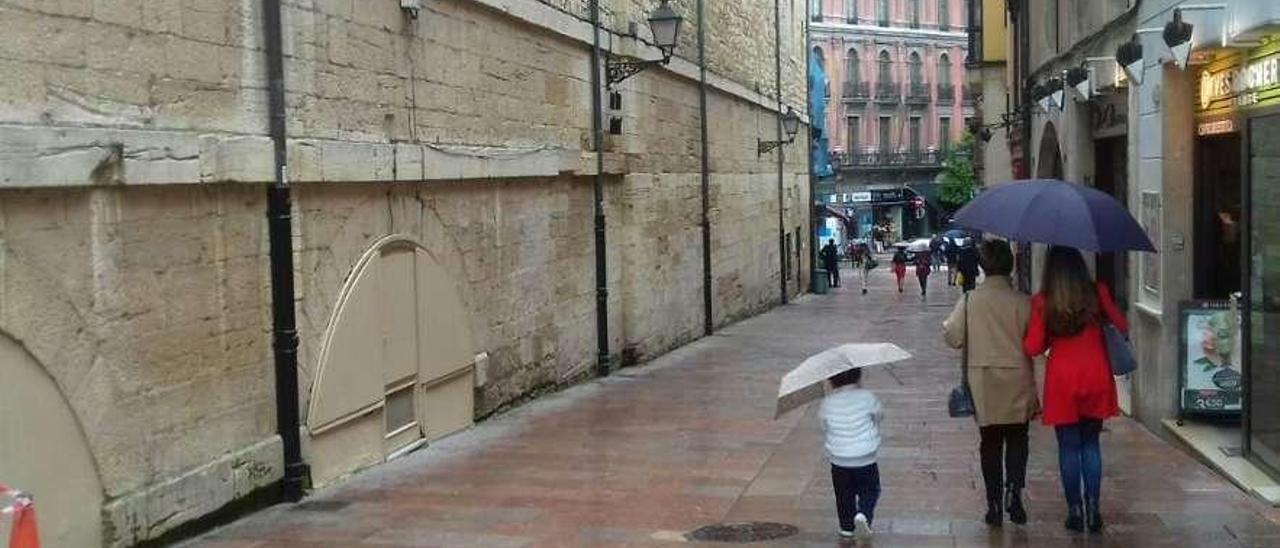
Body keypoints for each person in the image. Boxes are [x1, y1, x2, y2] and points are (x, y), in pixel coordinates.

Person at [1023, 246, 1127, 534]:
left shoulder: (1043, 301)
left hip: (1062, 381)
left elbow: (1033, 347)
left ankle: (1075, 511)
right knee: (1091, 444)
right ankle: (1094, 509)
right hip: (1096, 375)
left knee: (1068, 447)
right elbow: (1122, 324)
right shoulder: (1097, 292)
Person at [943, 240, 1037, 527]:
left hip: (983, 379)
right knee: (1018, 436)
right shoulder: (1022, 301)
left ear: (983, 265)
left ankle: (994, 503)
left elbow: (954, 337)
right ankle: (1014, 492)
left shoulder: (971, 300)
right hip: (1017, 377)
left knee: (990, 441)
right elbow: (1034, 344)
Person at [819, 367, 882, 541]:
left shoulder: (827, 402)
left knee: (843, 494)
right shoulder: (867, 397)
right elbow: (878, 416)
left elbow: (824, 426)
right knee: (870, 490)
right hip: (865, 458)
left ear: (832, 381)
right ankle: (864, 514)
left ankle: (846, 527)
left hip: (839, 460)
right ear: (858, 377)